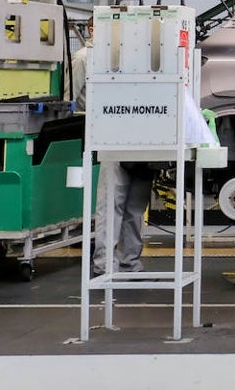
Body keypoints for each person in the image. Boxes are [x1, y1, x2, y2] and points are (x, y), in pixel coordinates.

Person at [74, 16, 154, 278]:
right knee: (111, 205)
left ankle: (130, 263)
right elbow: (71, 99)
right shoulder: (84, 57)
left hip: (141, 139)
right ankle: (105, 265)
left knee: (134, 207)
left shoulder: (133, 59)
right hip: (108, 137)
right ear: (93, 29)